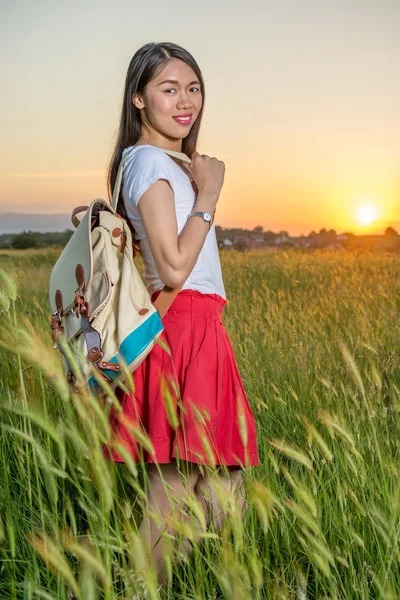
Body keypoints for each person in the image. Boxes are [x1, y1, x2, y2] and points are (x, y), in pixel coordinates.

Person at [101, 41, 259, 585]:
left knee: (221, 488)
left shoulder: (157, 162)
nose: (185, 100)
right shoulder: (148, 160)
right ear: (139, 99)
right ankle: (143, 590)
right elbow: (172, 267)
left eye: (193, 88)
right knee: (172, 493)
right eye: (169, 89)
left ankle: (194, 582)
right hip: (183, 326)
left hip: (198, 326)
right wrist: (210, 194)